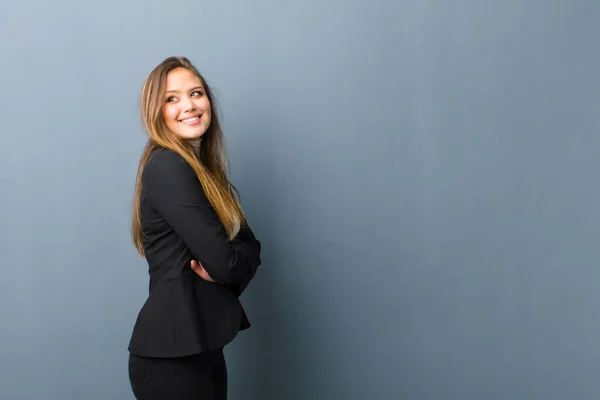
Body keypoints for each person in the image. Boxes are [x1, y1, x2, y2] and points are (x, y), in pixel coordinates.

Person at [127, 56, 262, 399]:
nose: (188, 105)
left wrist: (229, 262)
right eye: (171, 98)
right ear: (155, 111)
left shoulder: (204, 172)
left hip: (201, 348)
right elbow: (227, 261)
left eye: (196, 93)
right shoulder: (167, 165)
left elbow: (250, 249)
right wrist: (228, 263)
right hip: (171, 359)